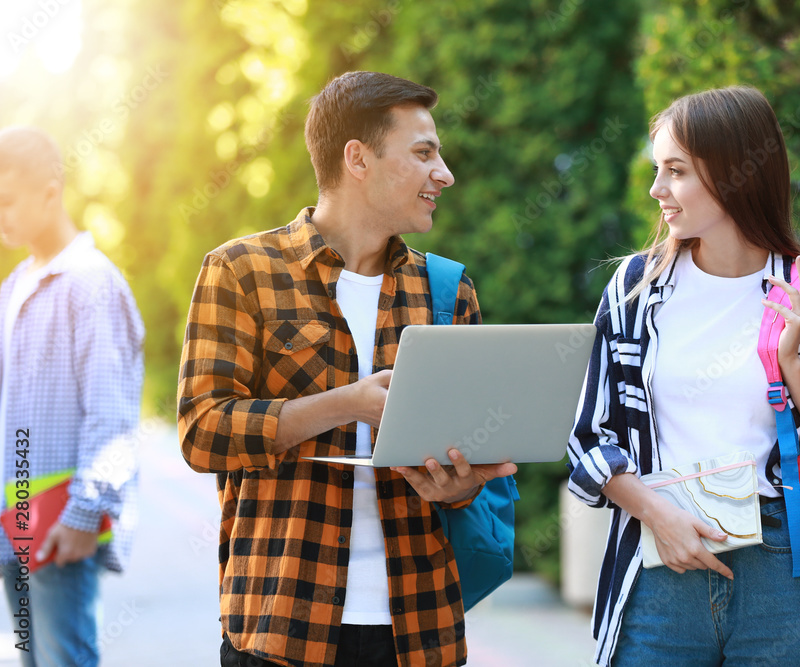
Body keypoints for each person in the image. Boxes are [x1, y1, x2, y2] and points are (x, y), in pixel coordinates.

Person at [177, 71, 516, 667]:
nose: (446, 174)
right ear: (357, 158)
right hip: (282, 627)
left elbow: (471, 454)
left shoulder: (447, 290)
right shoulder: (242, 272)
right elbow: (202, 432)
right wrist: (348, 403)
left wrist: (463, 487)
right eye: (424, 153)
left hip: (421, 630)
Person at [566, 86, 800, 666]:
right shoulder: (636, 290)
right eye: (657, 169)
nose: (656, 189)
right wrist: (657, 514)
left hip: (783, 572)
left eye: (676, 171)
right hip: (657, 567)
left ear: (733, 175)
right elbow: (588, 440)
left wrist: (790, 363)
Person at [0, 126, 144, 667]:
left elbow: (111, 416)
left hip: (62, 521)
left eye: (8, 200)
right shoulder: (14, 286)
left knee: (65, 660)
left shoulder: (90, 283)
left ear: (50, 190)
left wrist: (86, 512)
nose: (1, 215)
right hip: (14, 519)